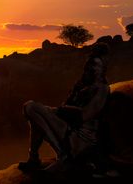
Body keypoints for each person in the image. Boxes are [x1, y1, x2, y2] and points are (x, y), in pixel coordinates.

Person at [18, 42, 110, 173]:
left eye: (97, 65)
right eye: (91, 64)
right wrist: (55, 111)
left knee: (33, 108)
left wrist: (57, 111)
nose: (93, 68)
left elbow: (85, 115)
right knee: (31, 109)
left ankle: (64, 157)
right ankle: (34, 158)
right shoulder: (82, 85)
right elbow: (66, 107)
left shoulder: (102, 89)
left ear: (103, 68)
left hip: (80, 140)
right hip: (68, 129)